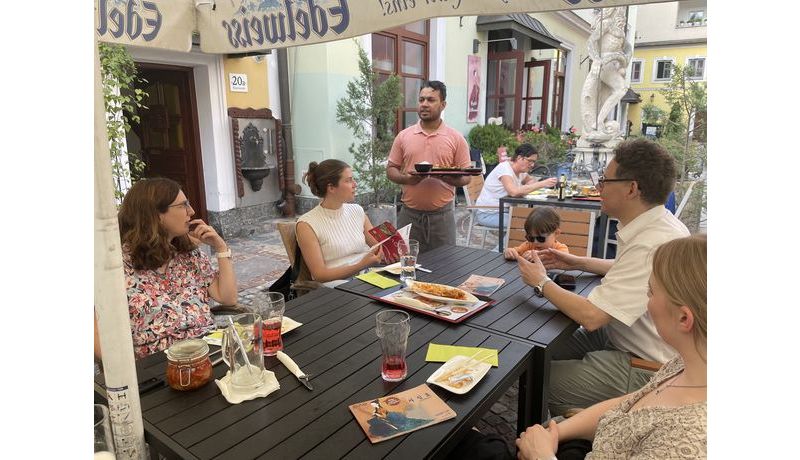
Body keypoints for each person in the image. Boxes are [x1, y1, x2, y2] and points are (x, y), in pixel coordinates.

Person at [515, 138, 690, 415]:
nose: (599, 188)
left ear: (631, 188)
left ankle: (581, 433)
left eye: (605, 181)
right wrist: (575, 262)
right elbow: (628, 270)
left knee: (537, 374)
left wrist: (540, 281)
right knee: (536, 347)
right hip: (625, 336)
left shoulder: (652, 242)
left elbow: (592, 317)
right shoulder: (659, 224)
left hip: (647, 364)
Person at [516, 235, 707, 460]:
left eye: (651, 292)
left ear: (684, 318)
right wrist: (557, 431)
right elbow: (630, 402)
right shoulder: (685, 364)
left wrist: (541, 455)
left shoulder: (687, 441)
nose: (646, 300)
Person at [117, 178, 237, 359]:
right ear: (156, 214)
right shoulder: (118, 267)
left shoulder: (188, 255)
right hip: (158, 367)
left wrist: (221, 249)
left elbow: (227, 298)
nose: (192, 211)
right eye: (183, 205)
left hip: (207, 354)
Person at [387, 80, 471, 253]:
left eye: (431, 100)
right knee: (404, 266)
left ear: (443, 104)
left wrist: (444, 176)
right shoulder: (404, 136)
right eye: (421, 99)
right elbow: (391, 169)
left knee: (445, 268)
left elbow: (467, 177)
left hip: (442, 217)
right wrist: (407, 179)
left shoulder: (456, 138)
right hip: (408, 215)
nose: (424, 104)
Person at [296, 159, 383, 287]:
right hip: (337, 288)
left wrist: (394, 244)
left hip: (367, 278)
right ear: (331, 187)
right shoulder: (307, 224)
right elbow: (320, 275)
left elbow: (379, 245)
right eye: (348, 180)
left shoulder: (357, 210)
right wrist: (361, 265)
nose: (355, 184)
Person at [475, 143, 557, 228]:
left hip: (506, 211)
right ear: (519, 158)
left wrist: (526, 187)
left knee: (535, 220)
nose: (532, 165)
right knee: (527, 224)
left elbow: (531, 180)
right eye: (530, 161)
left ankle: (513, 241)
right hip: (488, 214)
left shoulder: (521, 171)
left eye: (534, 162)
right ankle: (507, 241)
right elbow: (513, 192)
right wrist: (542, 184)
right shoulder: (504, 169)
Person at [503, 207, 569, 261]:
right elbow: (516, 251)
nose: (535, 242)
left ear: (556, 233)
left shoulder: (560, 248)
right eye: (530, 238)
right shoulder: (529, 245)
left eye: (540, 238)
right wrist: (510, 252)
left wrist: (542, 256)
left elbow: (565, 259)